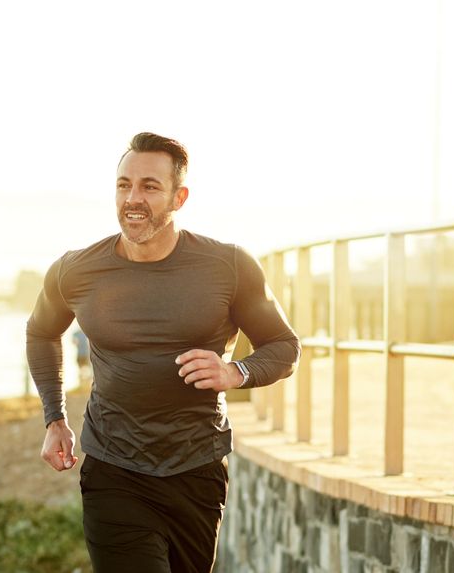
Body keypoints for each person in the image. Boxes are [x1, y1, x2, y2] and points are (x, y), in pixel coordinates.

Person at [26, 132, 300, 573]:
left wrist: (236, 373)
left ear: (180, 197)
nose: (133, 198)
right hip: (113, 468)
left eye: (150, 187)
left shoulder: (228, 266)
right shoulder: (76, 270)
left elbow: (285, 347)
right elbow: (41, 333)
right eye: (123, 184)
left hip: (197, 469)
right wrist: (54, 417)